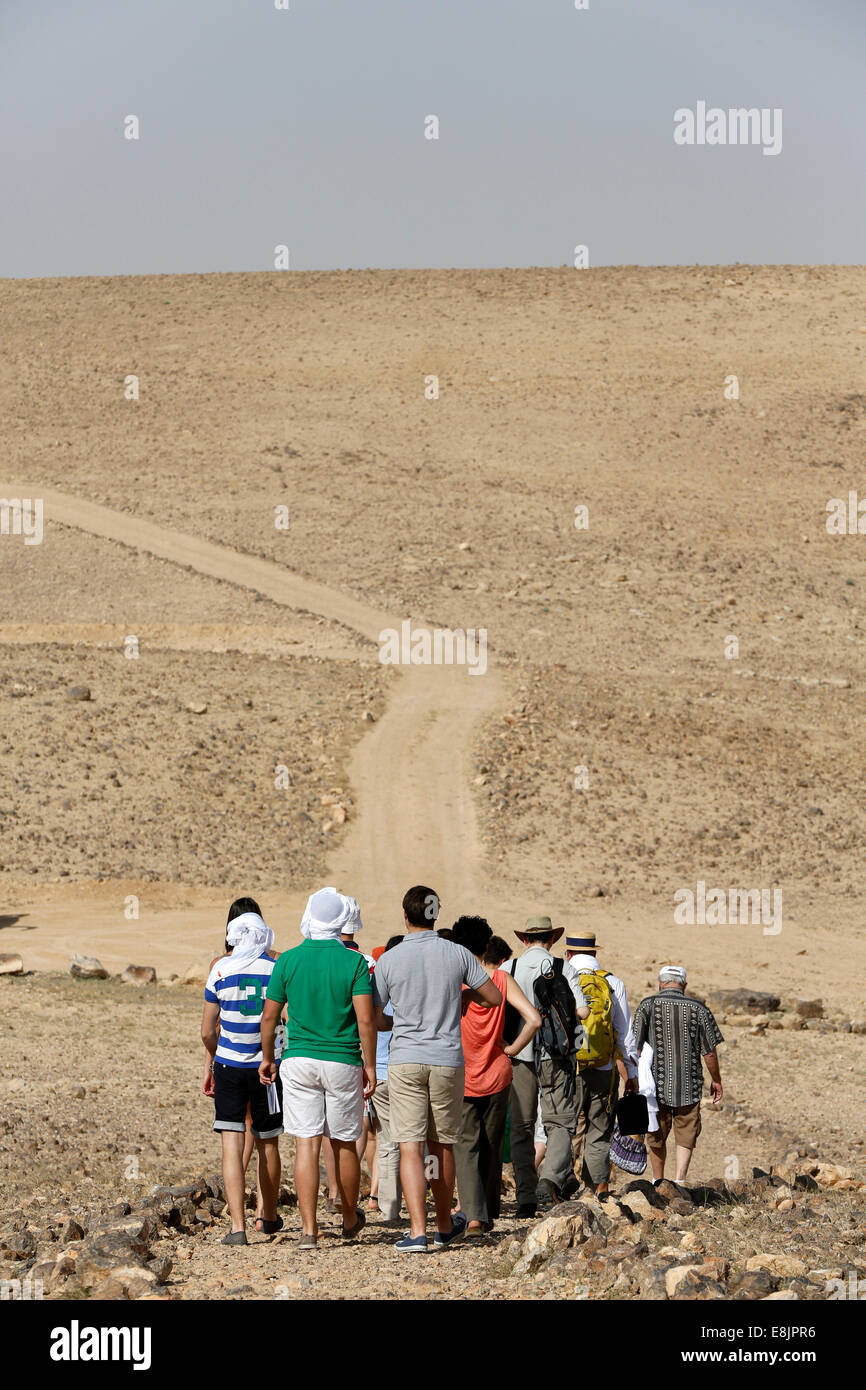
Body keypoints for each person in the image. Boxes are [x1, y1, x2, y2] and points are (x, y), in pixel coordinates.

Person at [371, 885, 502, 1253]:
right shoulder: (457, 953)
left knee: (410, 1145)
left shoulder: (390, 960)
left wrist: (396, 1022)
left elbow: (377, 1016)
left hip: (405, 1059)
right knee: (442, 1144)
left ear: (404, 914)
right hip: (447, 1059)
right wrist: (463, 994)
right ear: (435, 915)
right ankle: (445, 1226)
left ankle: (416, 1231)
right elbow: (493, 997)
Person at [259, 887, 377, 1250]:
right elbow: (366, 1020)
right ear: (342, 922)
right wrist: (369, 1066)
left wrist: (267, 1057)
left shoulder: (288, 961)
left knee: (306, 1145)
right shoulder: (354, 963)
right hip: (342, 1060)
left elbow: (270, 1017)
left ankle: (308, 1231)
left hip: (298, 1060)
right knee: (344, 1143)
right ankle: (348, 1216)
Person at [451, 916, 540, 1234]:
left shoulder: (455, 981)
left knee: (465, 1145)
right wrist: (512, 1048)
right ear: (486, 942)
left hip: (462, 1074)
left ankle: (474, 1216)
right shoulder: (501, 979)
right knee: (490, 1144)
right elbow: (533, 1019)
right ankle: (486, 1212)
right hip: (499, 1074)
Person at [201, 902, 284, 1246]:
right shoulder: (276, 968)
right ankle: (268, 1215)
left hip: (229, 1066)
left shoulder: (219, 970)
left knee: (231, 1147)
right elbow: (285, 1019)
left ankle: (238, 1227)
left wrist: (212, 1058)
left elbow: (207, 1030)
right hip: (267, 1068)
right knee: (269, 1142)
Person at [507, 916, 590, 1215]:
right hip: (556, 1056)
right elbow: (581, 1011)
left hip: (518, 1055)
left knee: (521, 1126)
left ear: (525, 940)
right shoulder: (562, 967)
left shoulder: (510, 968)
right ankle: (550, 1181)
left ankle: (526, 1195)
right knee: (559, 1124)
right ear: (551, 939)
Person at [564, 931, 639, 1197]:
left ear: (569, 954)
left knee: (566, 1125)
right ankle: (598, 1186)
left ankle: (559, 1185)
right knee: (599, 1126)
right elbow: (625, 1032)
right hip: (604, 1067)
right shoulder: (613, 982)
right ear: (595, 953)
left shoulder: (562, 979)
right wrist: (631, 1073)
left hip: (569, 1068)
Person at [633, 965, 724, 1182]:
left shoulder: (648, 1005)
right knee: (686, 1131)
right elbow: (709, 1052)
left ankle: (658, 1180)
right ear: (684, 985)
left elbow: (634, 1048)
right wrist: (717, 1080)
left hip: (654, 1086)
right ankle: (679, 1179)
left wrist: (632, 1079)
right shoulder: (699, 1009)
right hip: (689, 1085)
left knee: (656, 1133)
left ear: (660, 983)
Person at [368, 933, 404, 1222]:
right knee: (417, 1141)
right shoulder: (411, 988)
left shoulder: (374, 990)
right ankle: (409, 1200)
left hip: (379, 1074)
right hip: (404, 1071)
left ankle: (388, 1205)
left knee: (387, 1141)